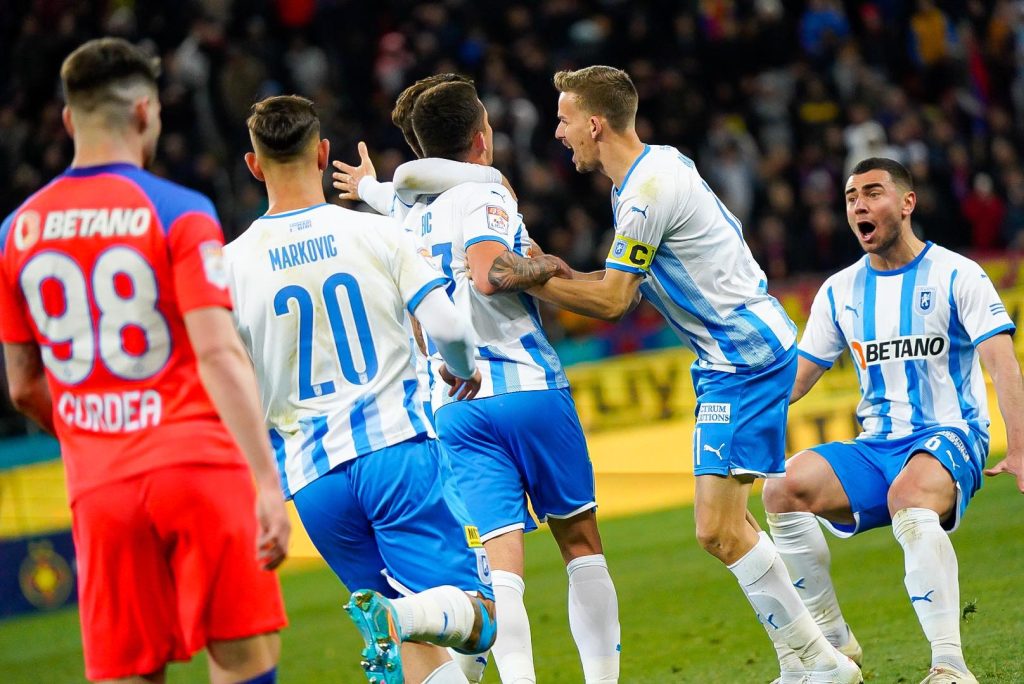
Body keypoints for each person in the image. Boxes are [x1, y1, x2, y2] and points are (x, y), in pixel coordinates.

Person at [537, 65, 861, 683]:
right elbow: (620, 289)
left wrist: (538, 280)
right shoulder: (652, 168)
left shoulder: (644, 193)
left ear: (595, 123)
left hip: (742, 358)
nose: (558, 131)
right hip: (731, 358)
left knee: (716, 529)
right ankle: (818, 653)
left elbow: (610, 303)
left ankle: (822, 662)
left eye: (565, 118)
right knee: (731, 523)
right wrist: (559, 275)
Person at [0, 38, 289, 684]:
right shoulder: (179, 210)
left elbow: (22, 387)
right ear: (143, 115)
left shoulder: (15, 230)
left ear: (71, 121)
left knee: (131, 669)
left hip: (100, 484)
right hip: (195, 464)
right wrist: (266, 483)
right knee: (242, 655)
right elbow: (216, 351)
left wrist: (95, 431)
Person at [225, 94, 497, 684]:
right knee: (477, 619)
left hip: (312, 479)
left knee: (413, 643)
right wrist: (462, 364)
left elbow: (225, 382)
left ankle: (393, 618)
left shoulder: (229, 266)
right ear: (323, 154)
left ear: (253, 164)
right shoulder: (372, 233)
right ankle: (396, 615)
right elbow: (449, 325)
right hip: (394, 453)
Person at [762, 157, 1024, 684]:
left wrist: (1018, 447)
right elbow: (799, 376)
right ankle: (833, 648)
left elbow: (1001, 362)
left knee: (909, 496)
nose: (859, 204)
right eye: (851, 196)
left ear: (907, 204)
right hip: (876, 444)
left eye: (873, 192)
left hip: (952, 435)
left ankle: (950, 666)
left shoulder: (958, 274)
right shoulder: (838, 291)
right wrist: (738, 423)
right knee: (781, 487)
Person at [399, 79, 622, 684]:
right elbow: (489, 272)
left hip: (456, 405)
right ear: (480, 139)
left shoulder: (408, 218)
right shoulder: (487, 191)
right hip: (524, 387)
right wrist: (544, 265)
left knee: (500, 569)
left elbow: (420, 322)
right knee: (580, 544)